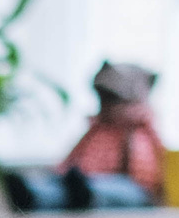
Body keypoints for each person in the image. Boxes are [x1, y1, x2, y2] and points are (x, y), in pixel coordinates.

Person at [60, 60, 164, 197]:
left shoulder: (140, 129)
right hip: (90, 178)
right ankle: (35, 193)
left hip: (132, 186)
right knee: (59, 189)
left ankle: (84, 190)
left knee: (109, 189)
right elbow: (73, 157)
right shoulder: (97, 128)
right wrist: (62, 172)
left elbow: (157, 161)